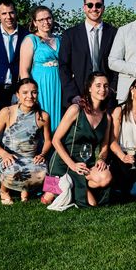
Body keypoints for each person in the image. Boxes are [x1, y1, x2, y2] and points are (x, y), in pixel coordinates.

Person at [43, 72, 112, 207]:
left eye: (106, 86)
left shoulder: (107, 117)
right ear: (89, 88)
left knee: (106, 178)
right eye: (98, 85)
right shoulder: (75, 109)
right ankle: (55, 185)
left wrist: (101, 159)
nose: (102, 89)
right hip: (65, 161)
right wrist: (72, 165)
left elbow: (104, 145)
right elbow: (55, 140)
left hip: (87, 163)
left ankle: (64, 187)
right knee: (92, 203)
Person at [0, 77, 52, 204]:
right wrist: (3, 154)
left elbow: (48, 141)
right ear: (17, 95)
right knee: (12, 170)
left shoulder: (43, 116)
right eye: (25, 93)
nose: (30, 96)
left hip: (30, 157)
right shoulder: (7, 112)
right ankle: (4, 190)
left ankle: (26, 189)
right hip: (7, 156)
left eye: (34, 92)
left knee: (44, 173)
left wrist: (42, 154)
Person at [59, 0, 118, 109]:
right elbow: (64, 67)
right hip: (79, 96)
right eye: (90, 5)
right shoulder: (70, 34)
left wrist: (111, 89)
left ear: (103, 8)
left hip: (107, 97)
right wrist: (73, 94)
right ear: (84, 8)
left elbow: (119, 65)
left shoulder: (114, 33)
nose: (94, 8)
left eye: (98, 5)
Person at [19, 6, 61, 132]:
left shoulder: (60, 39)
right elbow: (24, 70)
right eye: (41, 19)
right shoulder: (30, 40)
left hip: (58, 86)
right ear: (34, 22)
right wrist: (29, 93)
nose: (45, 22)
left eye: (48, 18)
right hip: (40, 86)